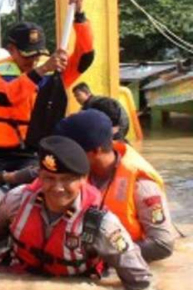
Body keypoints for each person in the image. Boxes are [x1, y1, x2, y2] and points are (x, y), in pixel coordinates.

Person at [0, 136, 152, 290]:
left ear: (83, 179)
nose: (58, 188)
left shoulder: (102, 225)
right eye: (49, 178)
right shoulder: (17, 200)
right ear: (39, 176)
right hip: (16, 277)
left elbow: (140, 281)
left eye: (67, 179)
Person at [0, 0, 94, 174]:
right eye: (28, 55)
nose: (34, 61)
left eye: (38, 55)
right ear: (11, 50)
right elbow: (5, 96)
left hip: (32, 154)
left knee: (33, 178)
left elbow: (85, 57)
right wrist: (42, 70)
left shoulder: (54, 73)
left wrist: (79, 16)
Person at [55, 109, 175, 262]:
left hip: (122, 262)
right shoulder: (77, 168)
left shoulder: (142, 186)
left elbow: (162, 245)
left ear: (95, 151)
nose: (64, 156)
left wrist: (101, 255)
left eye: (71, 151)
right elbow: (39, 172)